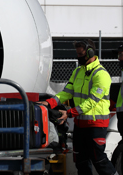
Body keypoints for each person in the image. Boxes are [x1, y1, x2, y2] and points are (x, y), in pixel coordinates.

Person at [40, 40, 117, 175]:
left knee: (98, 159)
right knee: (80, 159)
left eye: (80, 54)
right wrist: (50, 102)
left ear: (90, 53)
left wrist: (70, 113)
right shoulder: (77, 72)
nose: (78, 57)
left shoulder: (101, 74)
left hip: (96, 125)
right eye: (77, 53)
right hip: (80, 124)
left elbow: (92, 101)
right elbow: (67, 92)